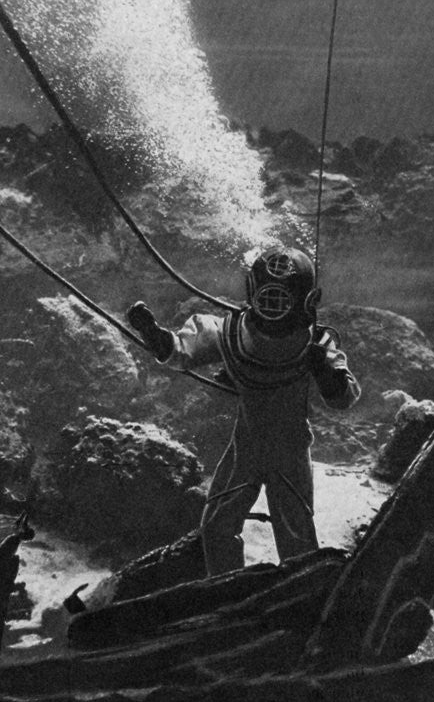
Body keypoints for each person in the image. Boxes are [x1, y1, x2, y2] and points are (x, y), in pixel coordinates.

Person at [127, 247, 360, 576]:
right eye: (268, 297)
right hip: (248, 447)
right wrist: (156, 336)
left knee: (296, 538)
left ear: (307, 300)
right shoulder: (231, 331)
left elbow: (344, 398)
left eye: (282, 299)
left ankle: (299, 589)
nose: (273, 308)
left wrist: (325, 372)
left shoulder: (314, 343)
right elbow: (183, 350)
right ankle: (228, 588)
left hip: (286, 450)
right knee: (217, 527)